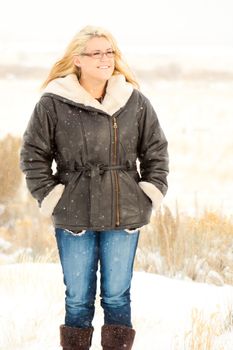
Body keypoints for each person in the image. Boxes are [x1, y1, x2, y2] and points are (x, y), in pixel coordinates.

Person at [19, 25, 169, 350]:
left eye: (109, 51)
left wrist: (149, 192)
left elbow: (155, 150)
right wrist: (52, 196)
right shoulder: (53, 104)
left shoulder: (134, 101)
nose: (105, 58)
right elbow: (33, 155)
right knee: (77, 300)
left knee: (117, 296)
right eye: (97, 52)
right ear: (77, 60)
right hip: (74, 213)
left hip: (124, 213)